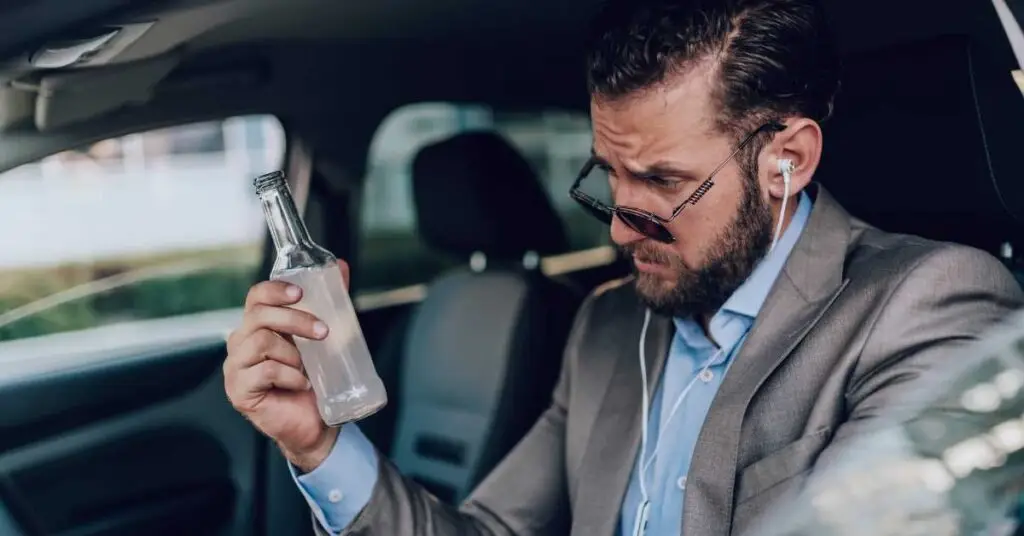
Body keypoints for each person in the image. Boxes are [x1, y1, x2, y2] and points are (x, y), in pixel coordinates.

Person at [222, 0, 1024, 534]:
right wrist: (320, 446)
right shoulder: (606, 324)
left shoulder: (930, 301)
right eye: (609, 176)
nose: (621, 224)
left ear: (787, 160)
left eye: (665, 183)